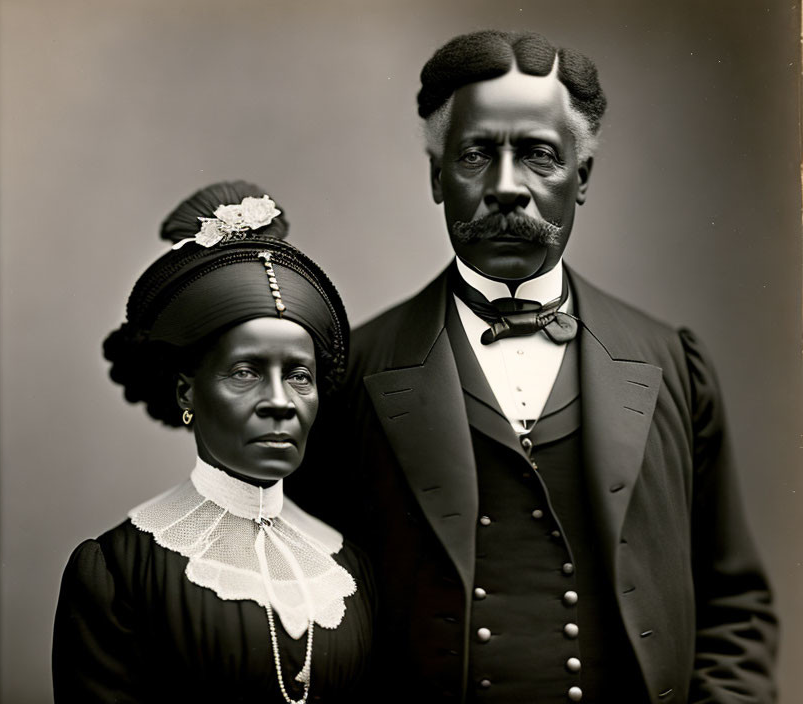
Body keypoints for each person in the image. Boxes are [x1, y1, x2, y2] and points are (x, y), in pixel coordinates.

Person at [287, 30, 777, 704]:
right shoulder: (352, 372)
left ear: (583, 176)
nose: (507, 186)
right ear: (437, 177)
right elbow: (303, 617)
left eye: (540, 155)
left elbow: (734, 608)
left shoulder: (672, 366)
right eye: (476, 154)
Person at [52, 181, 373, 703]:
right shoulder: (120, 569)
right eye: (245, 372)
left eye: (299, 375)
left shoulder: (347, 566)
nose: (280, 401)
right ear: (188, 391)